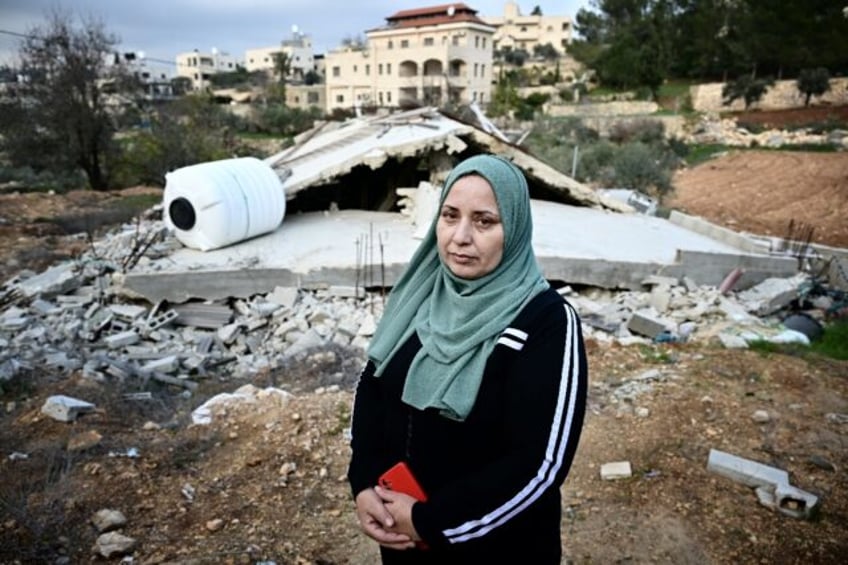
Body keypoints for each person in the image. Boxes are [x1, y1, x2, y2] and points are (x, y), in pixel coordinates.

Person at [348, 154, 587, 564]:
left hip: (498, 548)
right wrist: (365, 483)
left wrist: (431, 521)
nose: (460, 236)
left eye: (484, 221)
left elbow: (539, 464)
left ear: (513, 229)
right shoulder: (419, 296)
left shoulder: (545, 322)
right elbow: (373, 392)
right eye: (450, 215)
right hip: (405, 541)